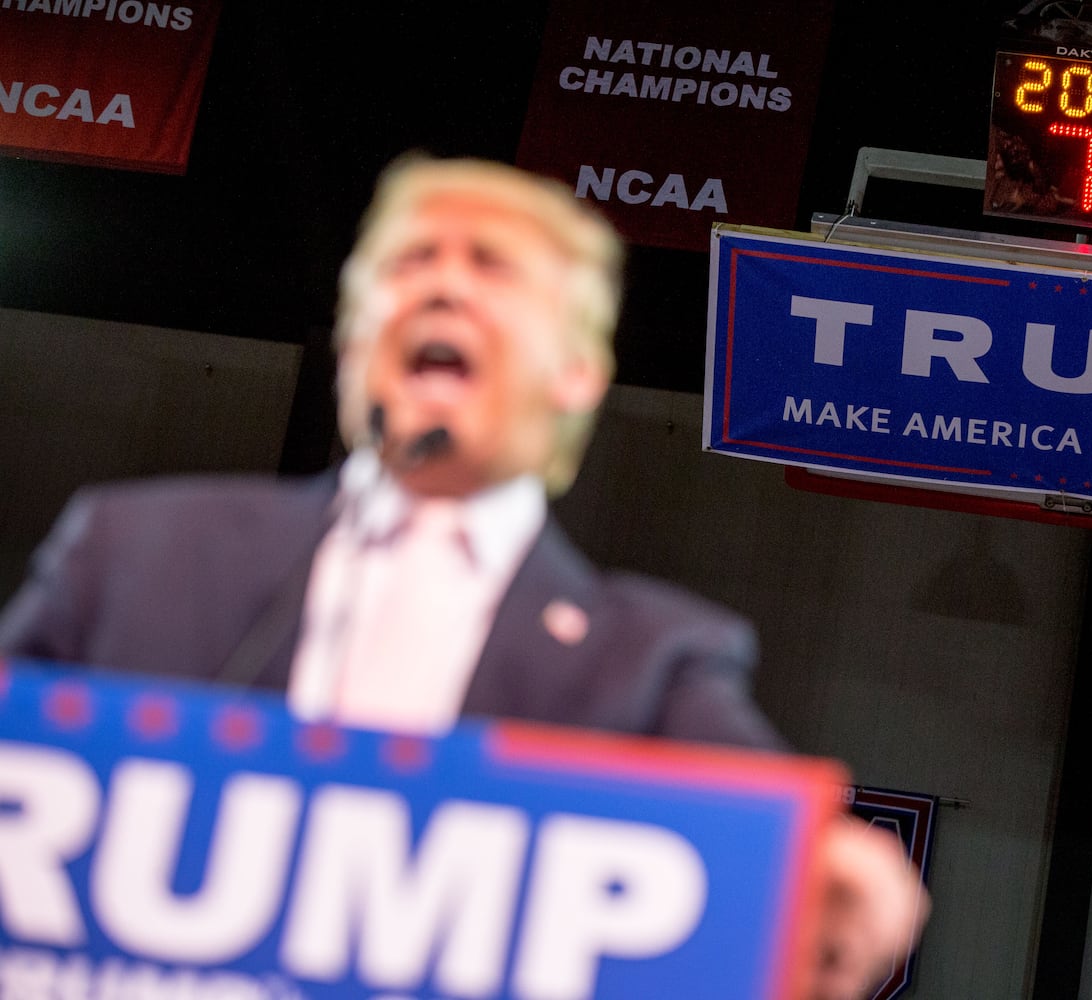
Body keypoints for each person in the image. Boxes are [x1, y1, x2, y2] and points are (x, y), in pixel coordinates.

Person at [0, 153, 928, 1000]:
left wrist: (839, 887)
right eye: (407, 263)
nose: (442, 283)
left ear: (575, 372)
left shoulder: (653, 663)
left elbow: (785, 870)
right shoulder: (133, 547)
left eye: (492, 267)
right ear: (354, 340)